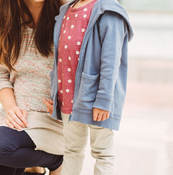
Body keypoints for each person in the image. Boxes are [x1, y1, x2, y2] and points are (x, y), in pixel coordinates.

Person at [44, 0, 134, 174]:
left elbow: (111, 63)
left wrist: (104, 99)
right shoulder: (67, 11)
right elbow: (60, 60)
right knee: (72, 150)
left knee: (103, 153)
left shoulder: (109, 12)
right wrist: (55, 94)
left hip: (97, 100)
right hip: (69, 98)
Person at [0, 0, 65, 175]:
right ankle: (36, 166)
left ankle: (55, 160)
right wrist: (11, 109)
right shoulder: (5, 15)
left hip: (52, 121)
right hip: (16, 118)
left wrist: (65, 104)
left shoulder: (68, 15)